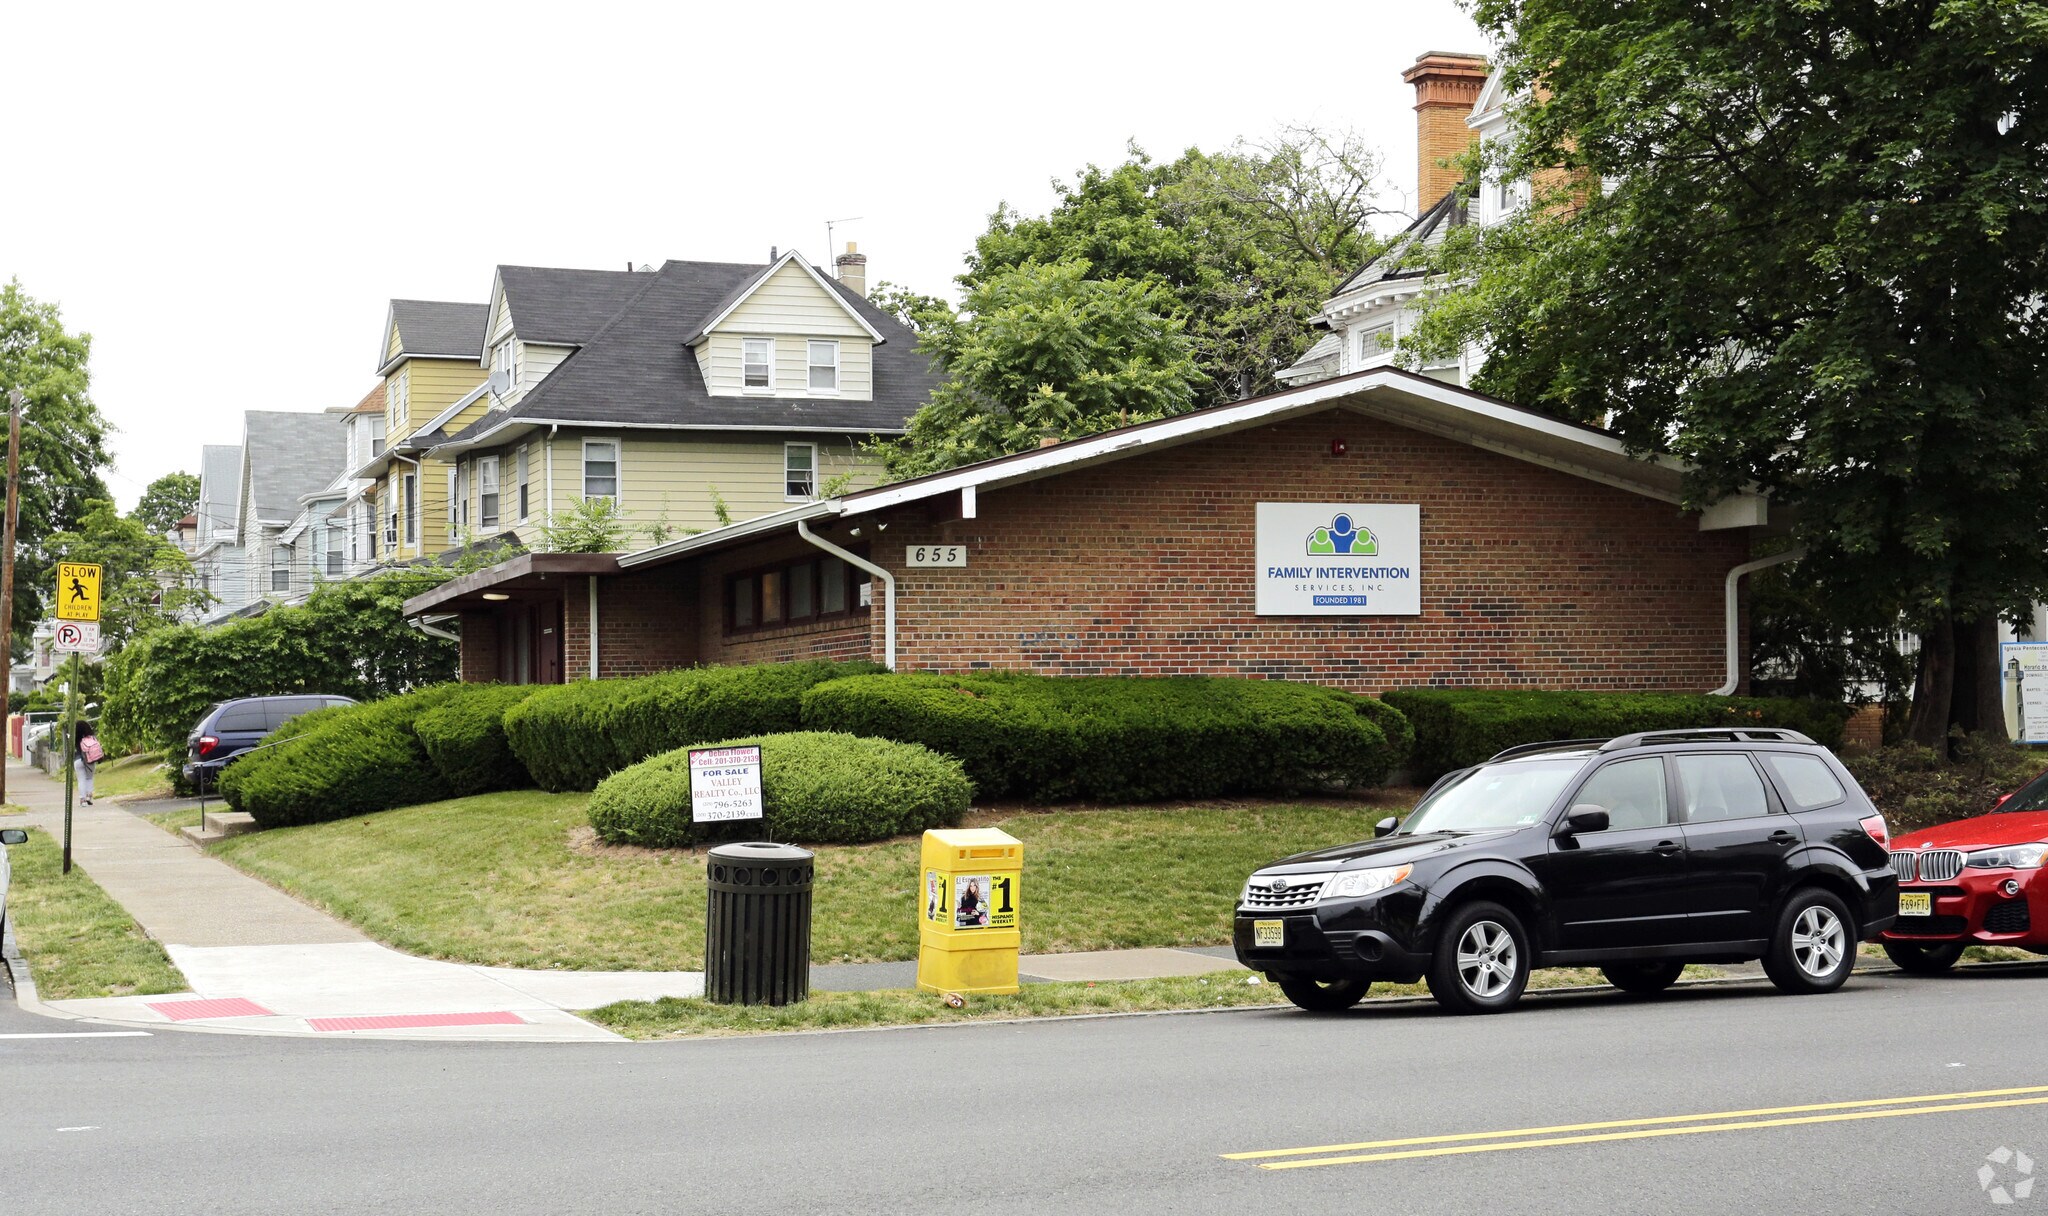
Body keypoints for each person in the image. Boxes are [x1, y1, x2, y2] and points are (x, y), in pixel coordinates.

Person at [74, 718, 99, 806]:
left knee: (81, 780)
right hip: (90, 760)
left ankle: (83, 800)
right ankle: (89, 796)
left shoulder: (75, 738)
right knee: (89, 778)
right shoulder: (91, 738)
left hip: (78, 760)